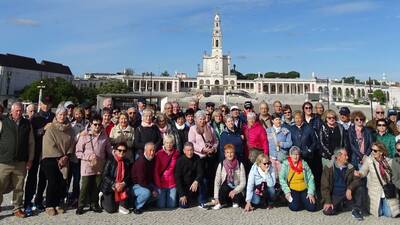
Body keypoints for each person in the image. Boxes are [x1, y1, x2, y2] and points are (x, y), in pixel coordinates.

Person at [0, 102, 35, 218]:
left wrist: (30, 159)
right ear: (11, 111)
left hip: (20, 162)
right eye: (16, 111)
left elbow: (31, 143)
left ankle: (17, 208)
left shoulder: (27, 124)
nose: (19, 113)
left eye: (20, 110)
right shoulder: (3, 122)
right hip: (4, 161)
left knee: (19, 187)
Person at [41, 106, 75, 216]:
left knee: (62, 182)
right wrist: (59, 157)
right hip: (51, 158)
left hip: (65, 158)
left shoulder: (70, 128)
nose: (62, 117)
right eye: (60, 114)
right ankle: (49, 205)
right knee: (52, 182)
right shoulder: (51, 128)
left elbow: (72, 143)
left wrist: (66, 156)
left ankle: (57, 203)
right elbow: (49, 144)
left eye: (64, 114)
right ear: (56, 115)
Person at [75, 114, 111, 215]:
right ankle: (80, 205)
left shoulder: (104, 135)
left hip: (99, 164)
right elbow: (78, 152)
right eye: (95, 124)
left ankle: (94, 204)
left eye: (99, 125)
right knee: (85, 186)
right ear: (91, 124)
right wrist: (88, 157)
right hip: (87, 164)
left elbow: (108, 148)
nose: (97, 127)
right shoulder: (84, 135)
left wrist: (115, 153)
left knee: (97, 185)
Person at [354, 142, 400, 217]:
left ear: (381, 152)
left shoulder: (389, 161)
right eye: (372, 150)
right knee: (378, 212)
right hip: (374, 192)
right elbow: (363, 171)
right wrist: (359, 174)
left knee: (388, 214)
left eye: (375, 150)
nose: (372, 152)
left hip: (387, 191)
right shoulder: (369, 161)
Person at [321, 148, 365, 221]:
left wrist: (350, 188)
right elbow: (324, 186)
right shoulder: (328, 168)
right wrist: (328, 201)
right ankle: (343, 206)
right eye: (345, 155)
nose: (347, 157)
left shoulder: (351, 167)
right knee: (327, 211)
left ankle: (356, 209)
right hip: (335, 195)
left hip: (347, 195)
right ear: (338, 157)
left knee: (360, 188)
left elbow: (357, 180)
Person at [27, 96, 55, 212]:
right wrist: (43, 129)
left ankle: (38, 200)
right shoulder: (35, 118)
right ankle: (28, 201)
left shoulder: (53, 117)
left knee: (43, 178)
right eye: (44, 103)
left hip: (47, 152)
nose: (46, 106)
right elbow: (31, 134)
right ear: (41, 104)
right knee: (32, 177)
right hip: (36, 151)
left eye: (48, 103)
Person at [188, 110, 218, 201]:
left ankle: (209, 195)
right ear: (196, 120)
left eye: (203, 119)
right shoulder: (192, 129)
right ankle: (201, 198)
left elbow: (216, 141)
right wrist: (202, 149)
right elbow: (191, 143)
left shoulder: (210, 128)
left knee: (210, 177)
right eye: (200, 119)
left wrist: (213, 148)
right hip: (199, 157)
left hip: (209, 157)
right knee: (202, 178)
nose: (202, 121)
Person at [279, 146, 317, 212]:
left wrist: (311, 192)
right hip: (292, 189)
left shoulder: (304, 164)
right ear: (290, 155)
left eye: (297, 154)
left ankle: (302, 200)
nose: (295, 156)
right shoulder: (286, 164)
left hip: (304, 188)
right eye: (293, 154)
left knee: (312, 207)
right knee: (294, 208)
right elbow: (281, 178)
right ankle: (298, 201)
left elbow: (311, 178)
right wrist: (287, 192)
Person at [289, 111, 320, 189]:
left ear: (302, 118)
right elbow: (290, 142)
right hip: (296, 156)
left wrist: (309, 150)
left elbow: (315, 141)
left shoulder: (309, 128)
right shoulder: (291, 129)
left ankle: (311, 190)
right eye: (296, 118)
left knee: (308, 174)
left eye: (299, 118)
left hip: (307, 156)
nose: (298, 120)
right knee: (298, 174)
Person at [100, 142, 130, 214]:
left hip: (121, 187)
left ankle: (119, 204)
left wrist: (123, 183)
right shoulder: (110, 160)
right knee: (111, 210)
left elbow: (129, 176)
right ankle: (101, 199)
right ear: (115, 150)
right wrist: (114, 183)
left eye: (124, 151)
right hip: (110, 187)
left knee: (123, 207)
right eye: (119, 150)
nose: (121, 152)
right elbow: (105, 175)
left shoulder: (127, 162)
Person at [68, 106, 89, 208]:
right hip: (73, 154)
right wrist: (80, 135)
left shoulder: (87, 124)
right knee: (72, 177)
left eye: (80, 113)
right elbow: (71, 139)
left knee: (80, 178)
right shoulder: (71, 125)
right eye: (76, 114)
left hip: (84, 154)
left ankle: (79, 197)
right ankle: (69, 196)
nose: (78, 116)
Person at [213, 144, 246, 210]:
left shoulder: (240, 164)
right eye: (227, 152)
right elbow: (217, 181)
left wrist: (235, 191)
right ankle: (221, 202)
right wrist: (216, 197)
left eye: (231, 152)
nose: (230, 154)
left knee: (237, 200)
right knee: (223, 188)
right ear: (225, 154)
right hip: (226, 187)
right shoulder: (221, 164)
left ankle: (234, 201)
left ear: (234, 153)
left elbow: (243, 182)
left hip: (236, 187)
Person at [175, 142, 205, 208]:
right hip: (184, 187)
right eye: (187, 150)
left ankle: (201, 201)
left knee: (203, 181)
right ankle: (189, 199)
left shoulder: (197, 158)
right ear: (184, 151)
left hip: (194, 184)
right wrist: (182, 194)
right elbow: (178, 179)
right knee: (184, 206)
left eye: (191, 150)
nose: (190, 152)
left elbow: (201, 172)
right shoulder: (180, 161)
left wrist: (196, 181)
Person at [154, 135, 180, 208]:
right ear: (164, 143)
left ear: (173, 143)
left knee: (171, 206)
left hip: (172, 184)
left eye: (171, 143)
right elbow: (156, 171)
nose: (169, 145)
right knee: (161, 206)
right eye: (167, 143)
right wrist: (158, 185)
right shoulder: (159, 154)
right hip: (161, 184)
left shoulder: (176, 154)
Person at [131, 142, 157, 214]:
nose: (152, 153)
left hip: (146, 183)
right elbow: (141, 181)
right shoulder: (141, 162)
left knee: (159, 192)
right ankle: (136, 206)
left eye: (153, 150)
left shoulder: (152, 159)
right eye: (150, 150)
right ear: (145, 151)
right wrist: (152, 190)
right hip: (136, 185)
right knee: (147, 192)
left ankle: (144, 203)